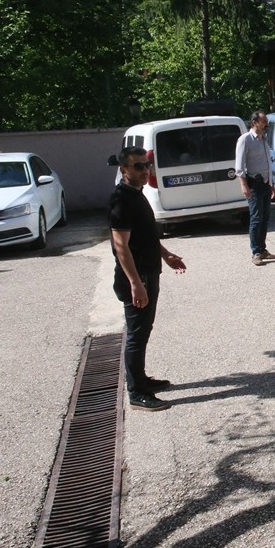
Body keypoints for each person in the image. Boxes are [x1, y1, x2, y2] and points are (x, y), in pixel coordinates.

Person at [110, 147, 187, 412]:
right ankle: (136, 393)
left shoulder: (137, 194)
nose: (145, 171)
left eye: (146, 166)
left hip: (147, 273)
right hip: (137, 277)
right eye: (138, 167)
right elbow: (122, 247)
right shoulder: (121, 200)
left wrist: (165, 255)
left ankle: (140, 379)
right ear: (124, 170)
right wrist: (136, 283)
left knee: (143, 330)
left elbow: (146, 237)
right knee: (136, 333)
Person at [236, 111, 275, 265]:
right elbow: (239, 167)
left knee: (265, 218)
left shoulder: (263, 139)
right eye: (264, 121)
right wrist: (244, 185)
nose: (266, 123)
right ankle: (255, 253)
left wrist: (271, 183)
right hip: (254, 184)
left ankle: (262, 249)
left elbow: (268, 163)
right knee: (256, 219)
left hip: (265, 184)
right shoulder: (245, 140)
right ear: (254, 122)